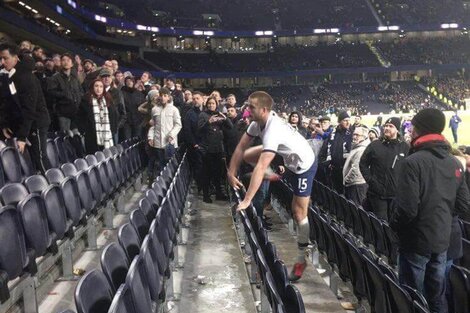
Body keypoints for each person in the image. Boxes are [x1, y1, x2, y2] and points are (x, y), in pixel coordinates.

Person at [228, 91, 316, 282]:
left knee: (298, 212)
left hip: (303, 164)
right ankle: (270, 174)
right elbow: (240, 148)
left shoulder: (272, 130)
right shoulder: (257, 123)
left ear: (264, 110)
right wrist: (230, 172)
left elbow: (260, 165)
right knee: (248, 155)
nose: (247, 110)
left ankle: (302, 258)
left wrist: (247, 200)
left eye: (251, 107)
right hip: (287, 153)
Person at [391, 108, 470, 313]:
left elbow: (406, 210)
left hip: (415, 242)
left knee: (411, 298)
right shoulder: (454, 162)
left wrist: (394, 227)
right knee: (437, 299)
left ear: (419, 130)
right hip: (442, 241)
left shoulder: (412, 162)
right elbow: (463, 205)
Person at [0, 43, 51, 173]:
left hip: (37, 122)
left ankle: (55, 188)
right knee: (31, 161)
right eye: (0, 59)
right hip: (25, 123)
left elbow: (29, 109)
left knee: (40, 157)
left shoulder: (26, 77)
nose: (2, 62)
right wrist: (5, 124)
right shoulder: (8, 75)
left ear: (15, 57)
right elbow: (7, 103)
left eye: (5, 58)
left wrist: (22, 137)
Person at [359, 117, 409, 221]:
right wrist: (371, 180)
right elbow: (363, 163)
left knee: (393, 223)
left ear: (397, 129)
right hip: (377, 194)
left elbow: (409, 169)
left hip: (396, 196)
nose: (387, 128)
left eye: (391, 126)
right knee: (382, 223)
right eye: (386, 126)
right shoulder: (375, 145)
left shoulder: (404, 147)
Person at [198, 96, 232, 203]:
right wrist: (209, 122)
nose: (211, 105)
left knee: (218, 173)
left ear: (216, 105)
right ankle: (206, 195)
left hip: (218, 148)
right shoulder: (203, 115)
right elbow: (199, 129)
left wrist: (225, 118)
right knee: (206, 173)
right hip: (207, 148)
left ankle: (219, 194)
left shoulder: (219, 114)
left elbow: (230, 126)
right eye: (209, 103)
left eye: (213, 103)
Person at [147, 88, 182, 186]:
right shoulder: (154, 109)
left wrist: (171, 135)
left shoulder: (174, 109)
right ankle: (160, 187)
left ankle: (169, 186)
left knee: (170, 167)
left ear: (168, 97)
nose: (162, 97)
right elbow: (153, 126)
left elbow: (178, 125)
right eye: (161, 95)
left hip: (169, 143)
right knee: (159, 166)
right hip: (157, 143)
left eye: (165, 95)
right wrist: (150, 137)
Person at [77, 79, 117, 154]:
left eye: (101, 87)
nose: (98, 89)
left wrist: (113, 130)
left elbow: (114, 116)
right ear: (92, 87)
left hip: (106, 135)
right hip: (91, 135)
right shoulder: (85, 100)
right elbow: (79, 117)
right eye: (96, 86)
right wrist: (84, 131)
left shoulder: (108, 100)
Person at [46, 53, 83, 132]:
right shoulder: (55, 77)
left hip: (75, 112)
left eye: (68, 60)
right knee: (65, 136)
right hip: (62, 112)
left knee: (76, 137)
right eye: (63, 60)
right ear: (61, 63)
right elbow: (50, 92)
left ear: (72, 64)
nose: (66, 62)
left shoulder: (75, 78)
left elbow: (80, 91)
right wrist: (64, 95)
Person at [319, 111, 352, 194]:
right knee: (336, 193)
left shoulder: (352, 133)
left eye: (349, 120)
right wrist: (326, 163)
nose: (348, 122)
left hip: (347, 170)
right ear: (339, 121)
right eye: (345, 120)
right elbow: (325, 149)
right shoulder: (333, 134)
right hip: (334, 170)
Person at [343, 126, 370, 205]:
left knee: (356, 211)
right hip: (354, 184)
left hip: (357, 185)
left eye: (357, 135)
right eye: (354, 134)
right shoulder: (357, 146)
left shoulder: (362, 149)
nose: (354, 137)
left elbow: (356, 170)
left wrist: (346, 180)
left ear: (364, 137)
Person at [184, 91, 204, 192]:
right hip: (195, 145)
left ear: (202, 99)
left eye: (198, 98)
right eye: (194, 98)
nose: (196, 100)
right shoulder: (189, 113)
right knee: (198, 167)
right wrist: (194, 144)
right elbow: (187, 130)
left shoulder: (207, 112)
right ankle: (200, 187)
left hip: (208, 145)